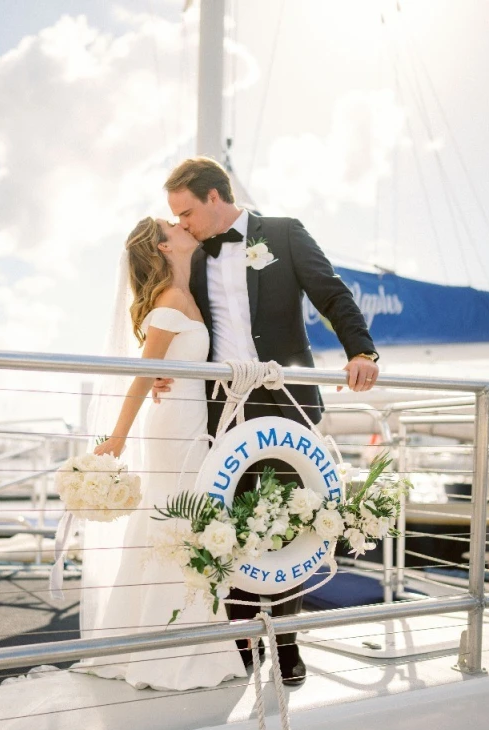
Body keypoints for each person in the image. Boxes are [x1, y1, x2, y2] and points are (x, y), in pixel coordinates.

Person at [153, 157, 379, 686]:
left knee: (291, 523)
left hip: (287, 401)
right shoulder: (188, 253)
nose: (182, 223)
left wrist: (361, 351)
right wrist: (162, 370)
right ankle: (242, 647)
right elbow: (169, 312)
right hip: (222, 407)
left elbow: (332, 293)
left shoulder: (283, 233)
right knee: (229, 526)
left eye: (186, 212)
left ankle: (288, 644)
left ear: (214, 197)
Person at [78, 215, 246, 691]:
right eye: (172, 225)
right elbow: (141, 374)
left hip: (190, 418)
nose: (181, 224)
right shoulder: (172, 301)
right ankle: (168, 646)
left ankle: (174, 635)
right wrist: (118, 437)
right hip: (173, 422)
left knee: (182, 519)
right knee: (178, 518)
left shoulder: (188, 296)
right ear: (166, 248)